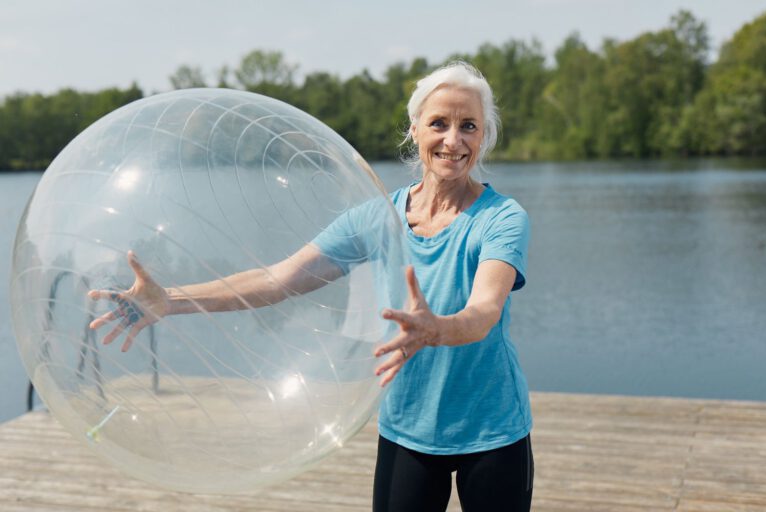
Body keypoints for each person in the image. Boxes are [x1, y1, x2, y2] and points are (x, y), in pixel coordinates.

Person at [89, 61, 533, 511]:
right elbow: (278, 279)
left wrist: (435, 329)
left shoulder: (502, 219)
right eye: (439, 123)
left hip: (492, 430)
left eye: (469, 126)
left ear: (483, 137)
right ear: (415, 129)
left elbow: (484, 312)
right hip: (407, 428)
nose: (453, 140)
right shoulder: (378, 218)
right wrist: (170, 300)